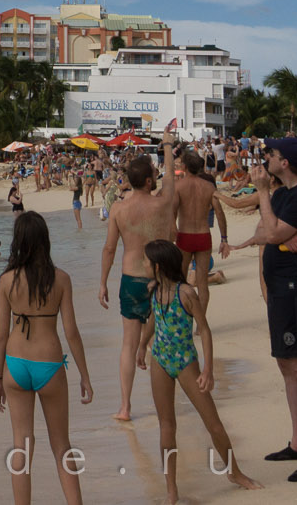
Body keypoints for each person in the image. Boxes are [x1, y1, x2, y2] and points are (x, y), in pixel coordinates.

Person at [132, 240, 262, 502]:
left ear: (157, 266)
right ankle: (171, 489)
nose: (143, 265)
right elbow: (154, 319)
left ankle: (235, 472)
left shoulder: (186, 293)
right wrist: (141, 345)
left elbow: (204, 329)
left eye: (146, 261)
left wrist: (208, 370)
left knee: (212, 422)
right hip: (160, 359)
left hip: (186, 362)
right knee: (166, 425)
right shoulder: (153, 289)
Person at [236, 137, 297, 478]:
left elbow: (273, 231)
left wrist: (264, 198)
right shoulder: (282, 194)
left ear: (285, 162)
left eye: (271, 155)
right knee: (286, 364)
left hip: (295, 287)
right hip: (279, 286)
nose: (267, 159)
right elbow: (267, 230)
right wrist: (274, 229)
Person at [0, 211, 93, 505]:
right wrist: (84, 376)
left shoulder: (6, 281)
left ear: (18, 242)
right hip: (49, 365)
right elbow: (72, 332)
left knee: (21, 445)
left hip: (15, 365)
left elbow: (0, 335)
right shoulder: (61, 279)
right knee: (61, 445)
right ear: (45, 241)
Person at [99, 152, 176, 423]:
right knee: (161, 343)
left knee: (128, 345)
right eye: (154, 174)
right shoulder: (163, 205)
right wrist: (167, 147)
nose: (157, 176)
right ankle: (164, 404)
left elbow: (109, 249)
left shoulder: (119, 209)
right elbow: (170, 183)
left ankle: (125, 407)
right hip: (160, 280)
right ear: (146, 180)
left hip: (131, 279)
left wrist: (102, 283)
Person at [173, 147, 226, 310]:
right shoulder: (209, 187)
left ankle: (184, 317)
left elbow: (172, 214)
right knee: (202, 284)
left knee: (181, 281)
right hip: (203, 235)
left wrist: (173, 235)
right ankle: (201, 321)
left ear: (185, 167)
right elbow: (219, 212)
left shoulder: (179, 187)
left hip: (184, 236)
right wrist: (224, 238)